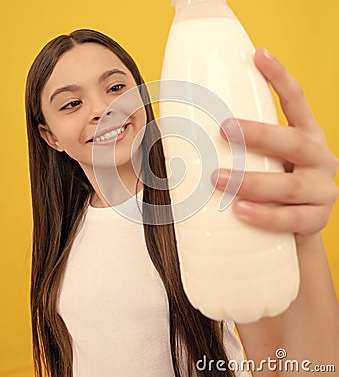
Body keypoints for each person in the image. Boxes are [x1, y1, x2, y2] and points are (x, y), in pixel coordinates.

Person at [25, 29, 339, 377]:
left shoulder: (203, 206)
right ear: (50, 136)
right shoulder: (65, 232)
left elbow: (288, 366)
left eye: (116, 88)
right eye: (71, 104)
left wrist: (304, 240)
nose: (103, 109)